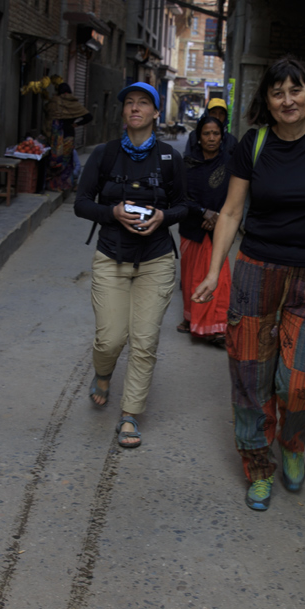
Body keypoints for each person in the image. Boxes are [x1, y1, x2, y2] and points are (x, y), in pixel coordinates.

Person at [191, 56, 305, 511]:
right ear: (266, 101)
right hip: (255, 275)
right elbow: (231, 211)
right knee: (251, 376)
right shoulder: (254, 143)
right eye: (278, 92)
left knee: (299, 382)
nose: (289, 100)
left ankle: (292, 444)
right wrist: (213, 271)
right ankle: (257, 467)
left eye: (296, 90)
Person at [74, 81, 190, 449]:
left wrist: (162, 217)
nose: (135, 108)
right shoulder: (105, 155)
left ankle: (129, 415)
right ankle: (103, 372)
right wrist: (112, 212)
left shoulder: (171, 159)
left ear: (157, 113)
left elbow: (185, 206)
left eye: (144, 103)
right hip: (111, 255)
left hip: (156, 260)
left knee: (144, 341)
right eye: (129, 103)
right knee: (110, 339)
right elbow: (80, 203)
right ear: (123, 112)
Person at [176, 113, 233, 344]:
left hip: (220, 226)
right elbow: (179, 196)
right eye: (206, 133)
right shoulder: (187, 164)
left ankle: (217, 327)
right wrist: (202, 212)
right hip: (192, 225)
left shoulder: (229, 163)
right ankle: (191, 318)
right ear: (199, 137)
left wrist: (218, 215)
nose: (211, 138)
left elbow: (234, 195)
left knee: (219, 276)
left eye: (216, 133)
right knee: (192, 276)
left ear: (222, 136)